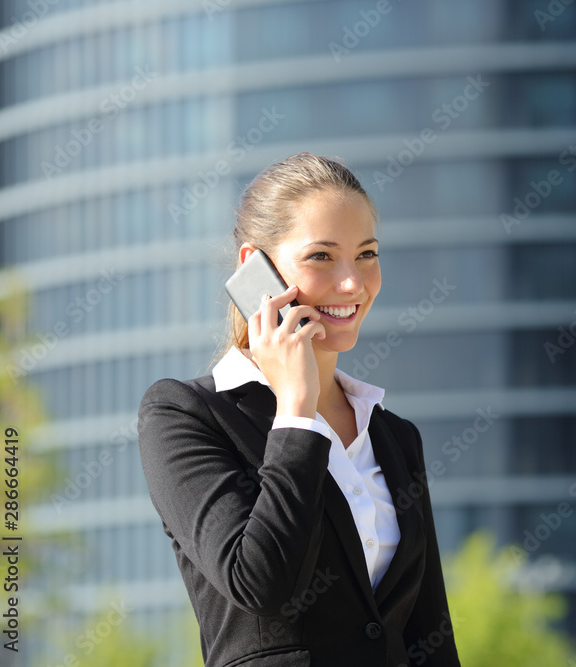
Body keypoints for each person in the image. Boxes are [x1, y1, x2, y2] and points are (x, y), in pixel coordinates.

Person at [137, 153, 461, 666]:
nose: (352, 283)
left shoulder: (395, 437)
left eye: (367, 254)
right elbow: (260, 583)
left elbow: (430, 635)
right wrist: (296, 412)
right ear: (255, 269)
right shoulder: (186, 415)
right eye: (322, 256)